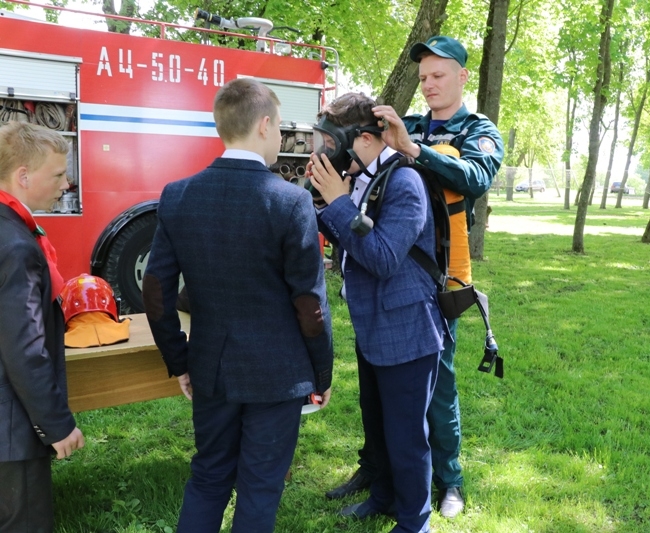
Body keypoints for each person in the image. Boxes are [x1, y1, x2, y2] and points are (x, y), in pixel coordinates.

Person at [142, 78, 334, 533]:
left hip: (211, 368)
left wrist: (179, 359)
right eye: (280, 126)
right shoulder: (291, 201)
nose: (281, 135)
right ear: (264, 125)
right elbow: (309, 304)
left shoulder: (178, 194)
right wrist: (321, 372)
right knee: (260, 489)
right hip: (278, 374)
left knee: (208, 477)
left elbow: (155, 290)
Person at [328, 35, 504, 518]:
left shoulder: (478, 130)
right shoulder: (410, 123)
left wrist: (413, 149)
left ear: (462, 77)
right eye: (423, 76)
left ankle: (449, 479)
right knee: (380, 389)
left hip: (442, 278)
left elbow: (475, 179)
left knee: (437, 386)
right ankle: (377, 470)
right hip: (391, 269)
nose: (428, 84)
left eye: (438, 75)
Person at [308, 92, 446, 533]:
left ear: (365, 138)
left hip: (406, 332)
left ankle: (414, 522)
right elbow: (351, 239)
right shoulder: (365, 176)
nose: (326, 151)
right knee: (380, 426)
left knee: (406, 437)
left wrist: (338, 202)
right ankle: (383, 497)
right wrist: (324, 203)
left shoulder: (404, 182)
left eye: (332, 143)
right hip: (374, 326)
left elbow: (384, 258)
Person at [0, 121, 85, 531]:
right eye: (58, 174)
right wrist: (56, 424)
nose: (66, 184)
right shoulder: (16, 247)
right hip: (10, 430)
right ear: (23, 176)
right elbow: (25, 348)